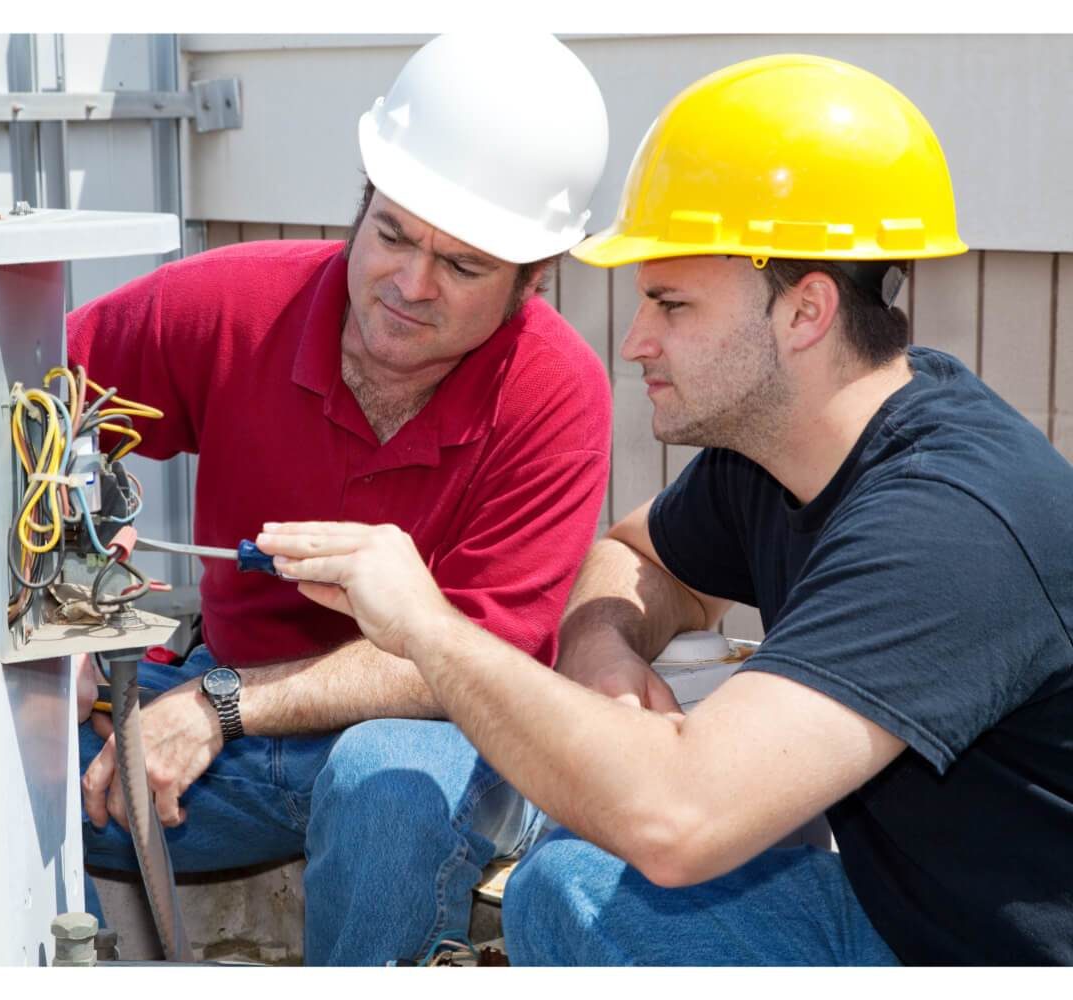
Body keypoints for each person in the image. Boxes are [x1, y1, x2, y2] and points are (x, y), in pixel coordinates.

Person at [256, 54, 1073, 965]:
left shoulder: (949, 529)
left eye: (670, 303)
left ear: (804, 312)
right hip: (894, 913)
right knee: (567, 891)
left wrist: (426, 627)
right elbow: (636, 553)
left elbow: (680, 822)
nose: (634, 341)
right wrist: (604, 654)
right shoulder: (780, 455)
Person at [65, 33, 612, 965]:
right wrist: (60, 620)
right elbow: (15, 415)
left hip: (425, 746)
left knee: (386, 783)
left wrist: (219, 704)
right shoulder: (232, 306)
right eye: (392, 233)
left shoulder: (558, 393)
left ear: (536, 279)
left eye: (464, 267)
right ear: (361, 203)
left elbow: (477, 661)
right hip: (209, 737)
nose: (409, 284)